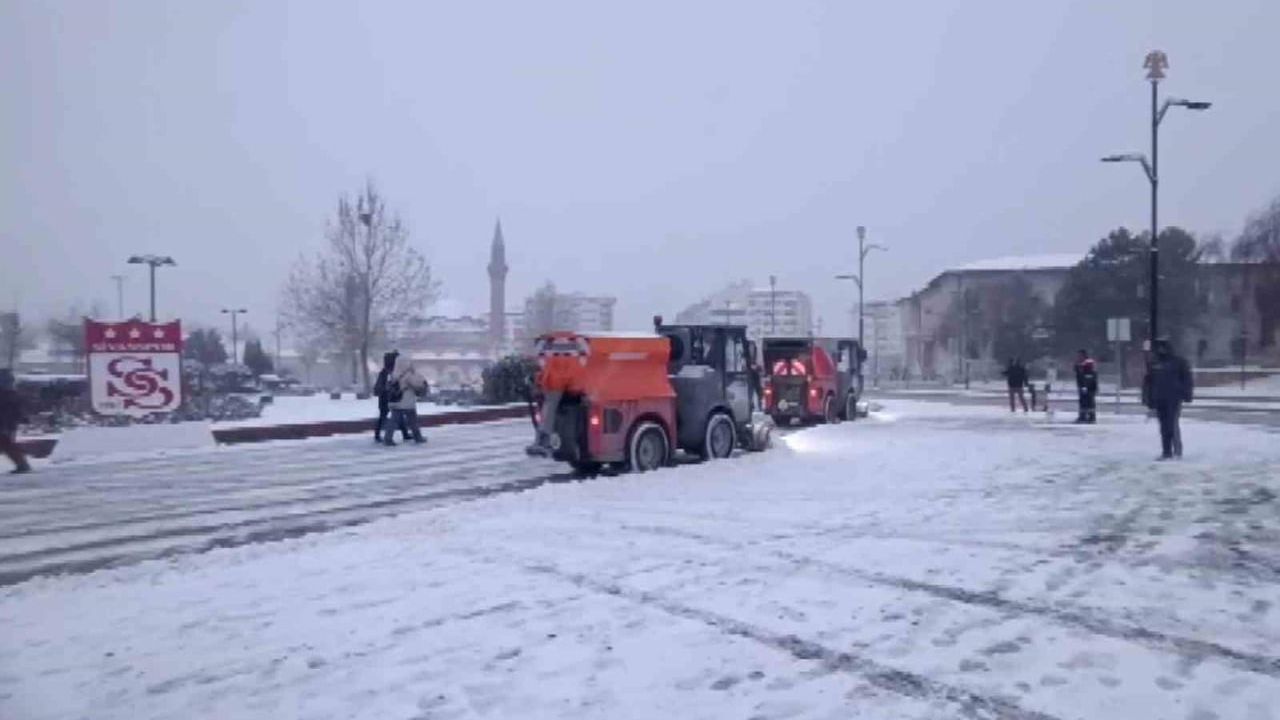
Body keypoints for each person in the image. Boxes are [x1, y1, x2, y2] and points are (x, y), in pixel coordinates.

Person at [1143, 339, 1193, 460]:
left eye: (1163, 347)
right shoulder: (1154, 363)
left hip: (1174, 399)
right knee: (1163, 427)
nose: (1161, 350)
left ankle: (1177, 451)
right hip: (1159, 399)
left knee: (1172, 425)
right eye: (1159, 348)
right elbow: (1148, 382)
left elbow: (1187, 379)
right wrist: (1148, 399)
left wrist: (1187, 394)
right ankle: (1166, 451)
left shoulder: (1178, 362)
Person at [387, 354, 429, 445]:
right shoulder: (407, 374)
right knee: (413, 420)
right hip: (406, 401)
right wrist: (422, 381)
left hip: (396, 400)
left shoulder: (394, 373)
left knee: (393, 421)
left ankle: (388, 438)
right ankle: (418, 437)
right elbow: (417, 384)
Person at [373, 351, 410, 444]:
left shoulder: (388, 372)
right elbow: (383, 386)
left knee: (397, 415)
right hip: (387, 398)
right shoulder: (387, 373)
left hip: (390, 397)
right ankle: (379, 435)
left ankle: (404, 434)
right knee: (387, 416)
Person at [0, 369, 32, 474]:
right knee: (7, 445)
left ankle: (22, 465)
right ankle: (22, 464)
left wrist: (7, 426)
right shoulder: (12, 395)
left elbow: (12, 412)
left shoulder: (7, 395)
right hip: (8, 424)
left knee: (7, 445)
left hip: (6, 424)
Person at [1074, 349, 1098, 424]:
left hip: (1088, 386)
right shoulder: (1081, 363)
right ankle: (1083, 416)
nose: (1078, 357)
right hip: (1082, 385)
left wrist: (1085, 386)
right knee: (1083, 401)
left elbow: (1088, 375)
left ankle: (1091, 417)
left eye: (1079, 355)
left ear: (1084, 355)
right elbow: (1077, 371)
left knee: (1089, 402)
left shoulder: (1088, 362)